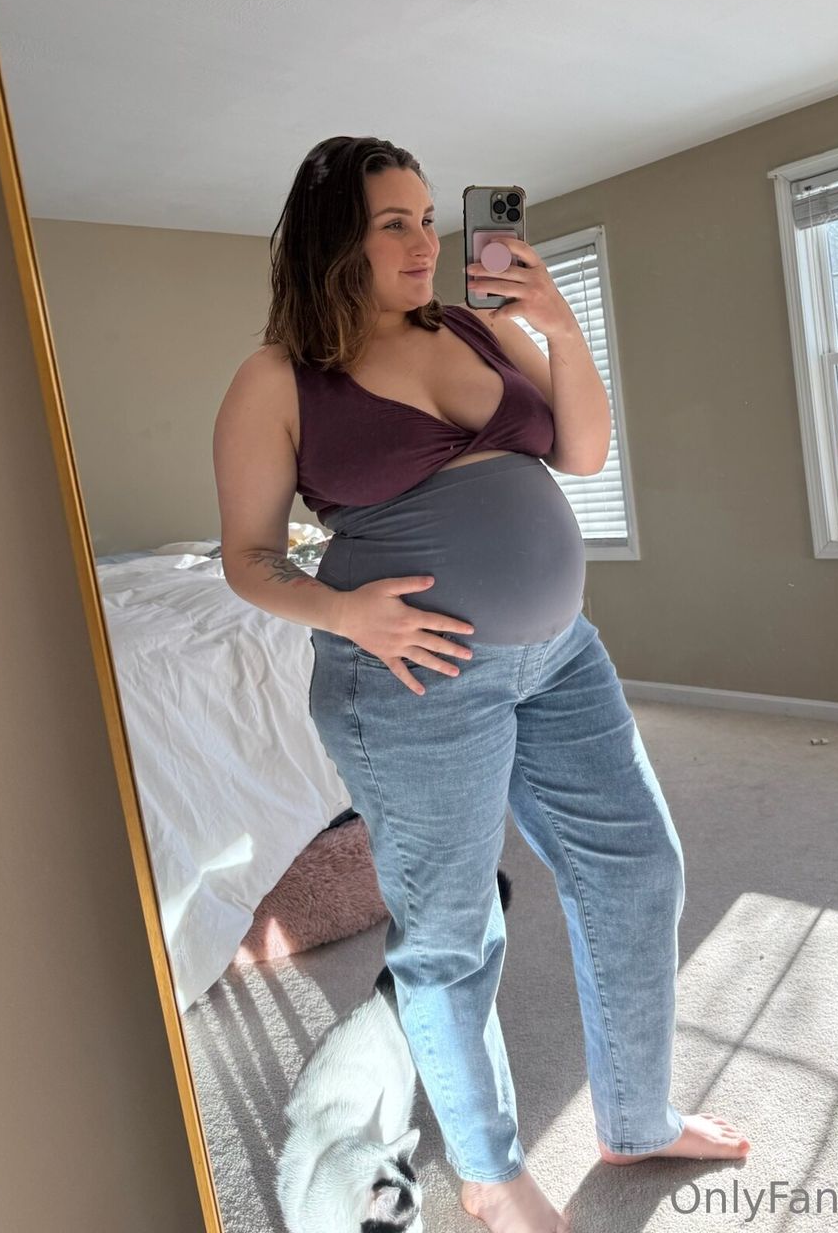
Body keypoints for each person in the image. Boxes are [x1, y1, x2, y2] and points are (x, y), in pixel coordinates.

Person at [213, 136, 751, 1233]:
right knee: (453, 935)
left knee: (639, 865)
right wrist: (346, 612)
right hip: (413, 681)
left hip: (560, 655)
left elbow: (583, 453)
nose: (425, 241)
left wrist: (559, 327)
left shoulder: (473, 325)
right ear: (334, 244)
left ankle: (636, 1116)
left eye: (428, 217)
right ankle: (491, 1174)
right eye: (394, 224)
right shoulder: (277, 379)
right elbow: (248, 560)